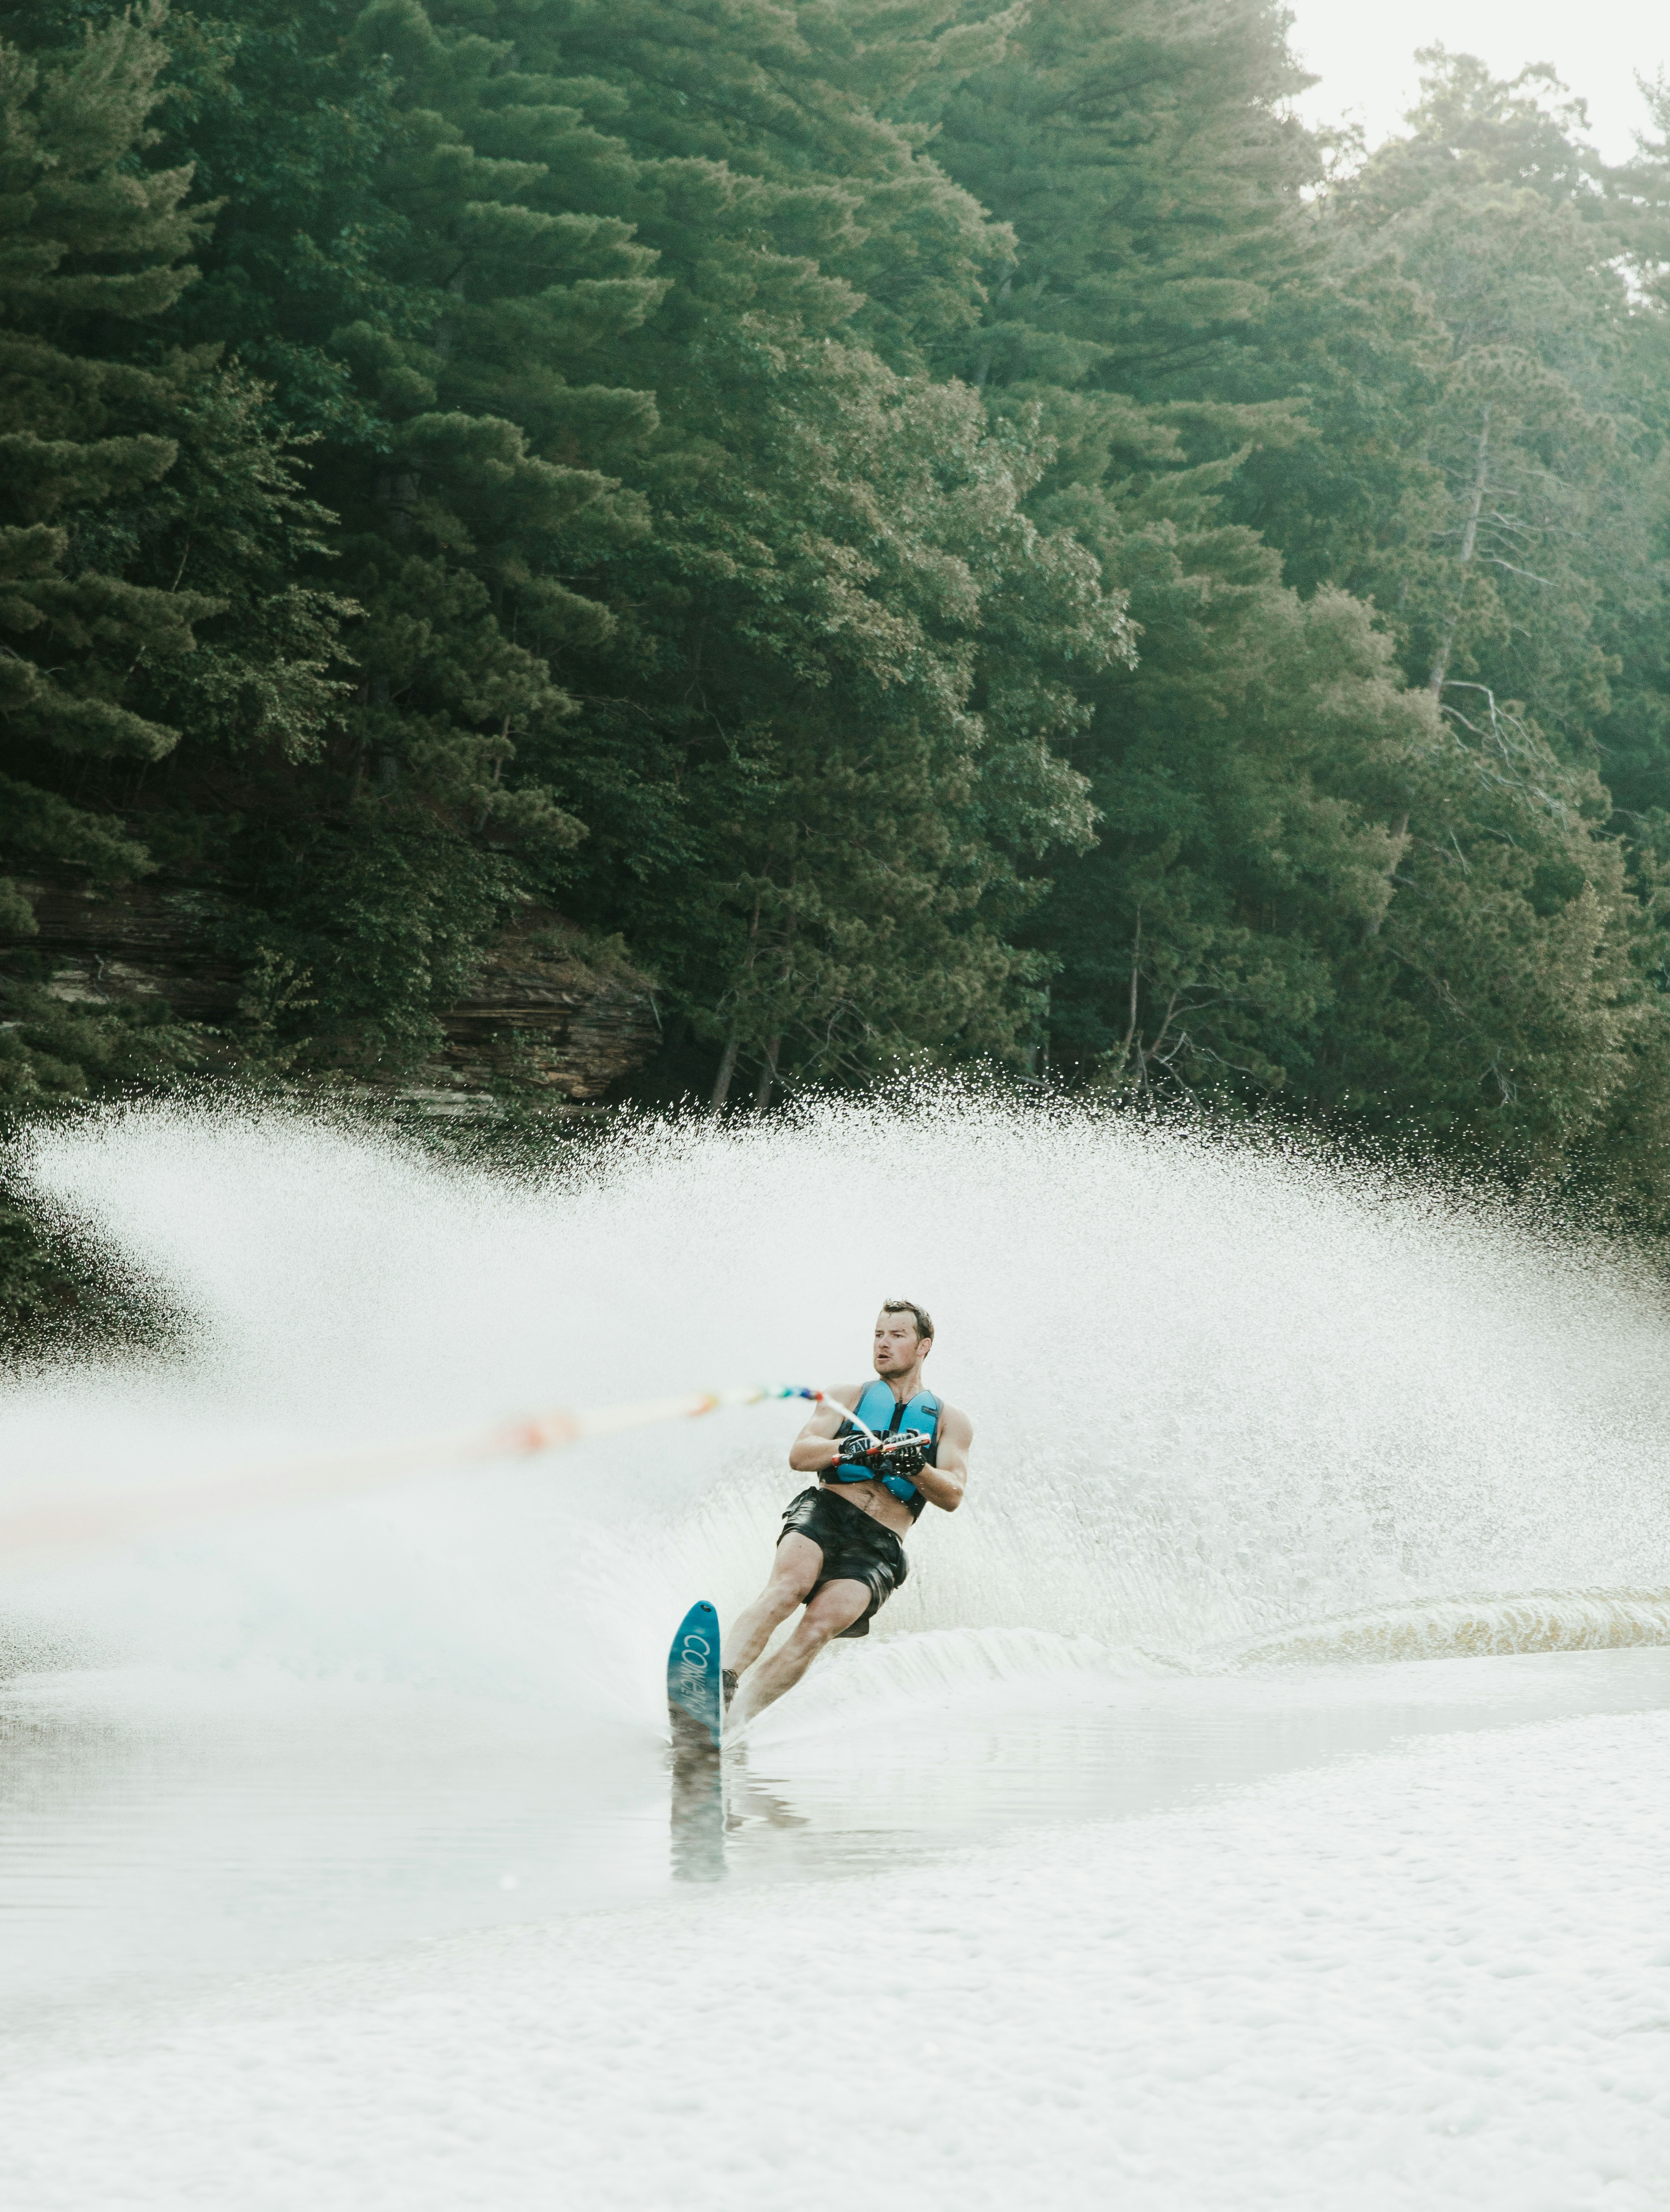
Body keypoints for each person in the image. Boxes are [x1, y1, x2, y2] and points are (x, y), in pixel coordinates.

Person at [723, 1300, 972, 1727]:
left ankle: (733, 1722)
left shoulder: (951, 1422)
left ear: (923, 1346)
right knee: (788, 1586)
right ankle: (720, 1682)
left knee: (817, 1628)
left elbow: (952, 1494)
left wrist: (916, 1467)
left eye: (897, 1335)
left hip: (879, 1545)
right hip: (826, 1512)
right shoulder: (846, 1398)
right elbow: (800, 1455)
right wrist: (847, 1449)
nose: (883, 1344)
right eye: (878, 1334)